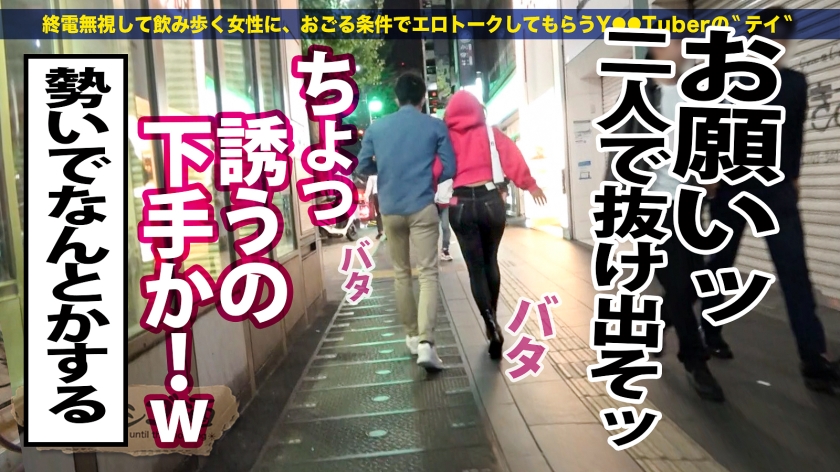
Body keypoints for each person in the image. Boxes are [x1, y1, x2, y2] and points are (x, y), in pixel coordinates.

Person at [700, 8, 840, 392]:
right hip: (730, 187)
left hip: (776, 190)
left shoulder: (795, 83)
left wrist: (794, 177)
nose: (778, 44)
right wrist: (709, 174)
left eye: (783, 38)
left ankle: (814, 361)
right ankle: (710, 333)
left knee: (794, 271)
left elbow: (794, 135)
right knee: (721, 264)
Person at [605, 39, 726, 402]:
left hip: (690, 205)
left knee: (693, 283)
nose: (681, 48)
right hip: (653, 206)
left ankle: (659, 322)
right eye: (673, 42)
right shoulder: (639, 95)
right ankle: (695, 360)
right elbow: (618, 153)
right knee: (677, 280)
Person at [357, 72, 456, 372]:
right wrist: (428, 177)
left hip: (390, 210)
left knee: (401, 274)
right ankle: (427, 343)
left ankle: (412, 337)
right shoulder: (434, 126)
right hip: (422, 206)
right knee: (427, 274)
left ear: (396, 98)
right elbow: (450, 166)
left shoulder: (377, 128)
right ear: (423, 98)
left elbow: (362, 166)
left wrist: (386, 168)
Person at [442, 90, 546, 360]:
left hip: (460, 204)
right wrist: (530, 185)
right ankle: (494, 319)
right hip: (490, 201)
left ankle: (489, 321)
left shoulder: (445, 137)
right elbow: (512, 158)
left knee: (475, 268)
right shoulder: (491, 133)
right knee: (491, 262)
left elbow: (435, 171)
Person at [364, 174, 383, 239]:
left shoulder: (372, 175)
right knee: (387, 213)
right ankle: (389, 232)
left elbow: (369, 188)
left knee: (378, 213)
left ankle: (381, 232)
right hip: (385, 194)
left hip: (376, 195)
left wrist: (366, 198)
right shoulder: (384, 171)